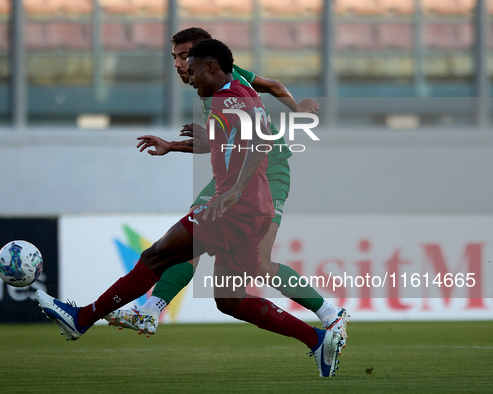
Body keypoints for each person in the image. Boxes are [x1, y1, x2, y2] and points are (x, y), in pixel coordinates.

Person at [36, 39, 345, 378]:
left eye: (193, 68)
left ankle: (83, 318)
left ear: (212, 67)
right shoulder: (239, 97)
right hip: (254, 210)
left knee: (156, 257)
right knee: (231, 300)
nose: (189, 75)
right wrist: (176, 146)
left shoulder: (228, 98)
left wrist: (233, 191)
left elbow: (259, 144)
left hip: (234, 207)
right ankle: (317, 340)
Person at [106, 27, 348, 340]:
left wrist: (296, 110)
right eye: (175, 57)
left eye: (185, 57)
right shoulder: (207, 89)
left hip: (269, 168)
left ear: (207, 60)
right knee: (190, 240)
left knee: (260, 265)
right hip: (235, 173)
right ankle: (150, 310)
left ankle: (331, 314)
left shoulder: (229, 80)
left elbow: (272, 87)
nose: (179, 64)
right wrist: (173, 145)